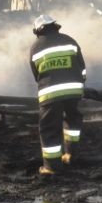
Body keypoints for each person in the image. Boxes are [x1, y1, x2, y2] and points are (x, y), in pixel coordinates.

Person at [29, 15, 87, 175]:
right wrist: (80, 83)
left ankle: (51, 167)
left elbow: (36, 75)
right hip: (74, 90)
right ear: (54, 26)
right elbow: (82, 67)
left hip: (50, 93)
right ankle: (70, 155)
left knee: (49, 128)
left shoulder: (36, 47)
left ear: (38, 30)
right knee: (72, 121)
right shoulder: (70, 40)